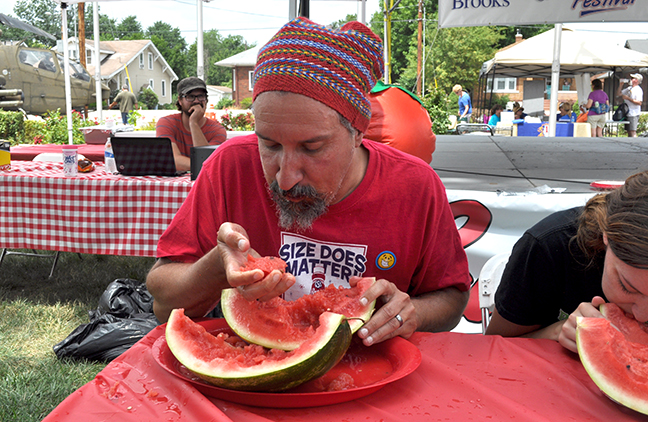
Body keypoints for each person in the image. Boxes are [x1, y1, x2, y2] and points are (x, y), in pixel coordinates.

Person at [146, 17, 471, 347]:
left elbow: (452, 300)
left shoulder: (416, 186)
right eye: (269, 145)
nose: (285, 178)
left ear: (358, 132)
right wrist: (217, 266)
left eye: (312, 148)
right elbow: (162, 297)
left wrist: (410, 311)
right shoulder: (230, 165)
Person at [486, 171, 648, 353]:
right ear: (606, 236)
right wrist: (556, 332)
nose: (642, 315)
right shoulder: (548, 247)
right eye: (627, 287)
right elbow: (496, 346)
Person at [156, 77, 227, 172]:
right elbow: (173, 160)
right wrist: (200, 165)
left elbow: (206, 161)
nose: (196, 101)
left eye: (201, 96)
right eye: (190, 96)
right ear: (180, 100)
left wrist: (194, 123)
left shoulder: (217, 130)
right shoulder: (166, 123)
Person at [617, 73, 644, 137]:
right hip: (627, 112)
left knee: (632, 131)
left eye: (632, 78)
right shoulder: (629, 88)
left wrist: (628, 98)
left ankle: (634, 143)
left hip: (633, 113)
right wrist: (621, 85)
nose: (630, 80)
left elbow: (639, 102)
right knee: (628, 130)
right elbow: (619, 94)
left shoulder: (638, 90)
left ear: (636, 80)